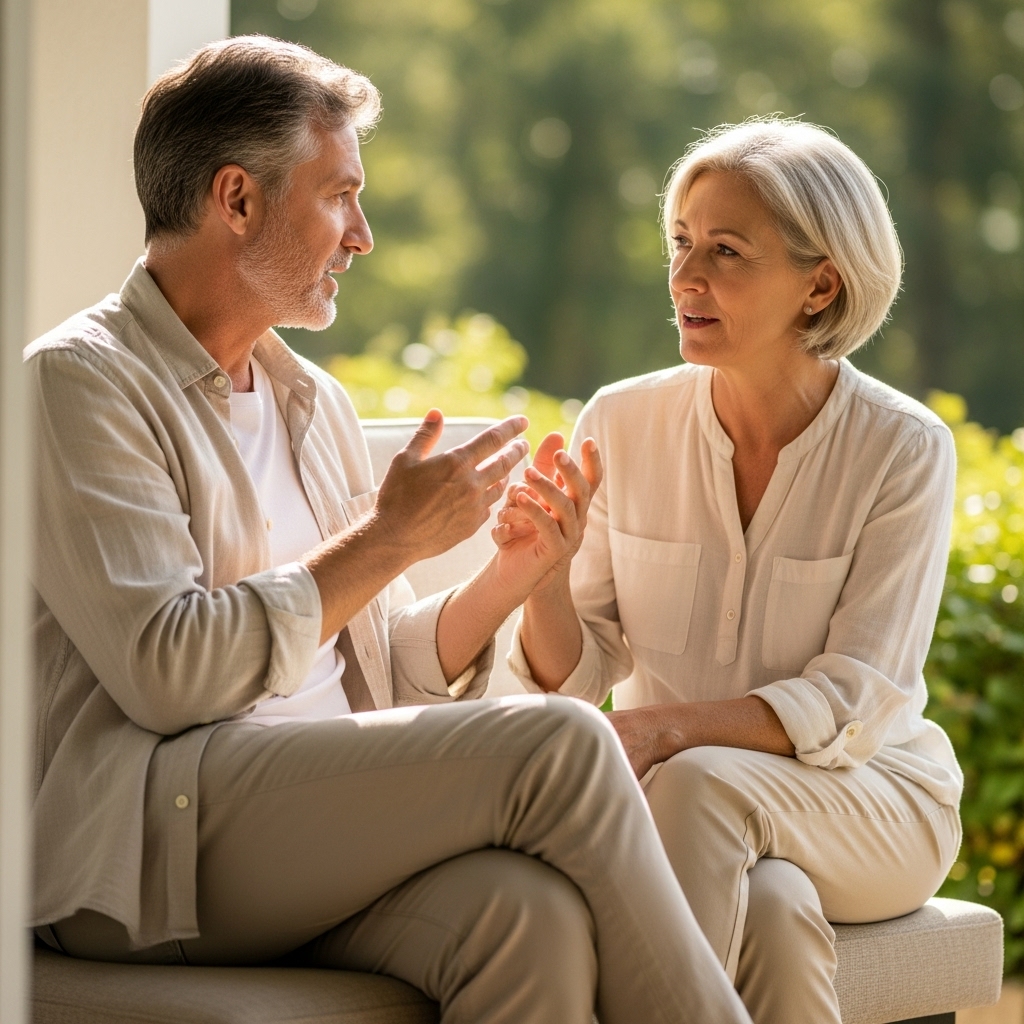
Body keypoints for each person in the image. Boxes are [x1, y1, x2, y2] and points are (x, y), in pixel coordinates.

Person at [26, 37, 753, 1024]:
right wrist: (388, 539)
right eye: (338, 195)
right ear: (236, 200)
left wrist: (513, 572)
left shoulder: (307, 400)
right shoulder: (79, 383)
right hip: (158, 840)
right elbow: (167, 674)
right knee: (561, 743)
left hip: (313, 821)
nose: (362, 234)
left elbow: (386, 668)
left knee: (523, 913)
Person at [500, 118, 962, 1024]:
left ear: (820, 282)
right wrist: (544, 580)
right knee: (778, 915)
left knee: (703, 783)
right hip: (688, 809)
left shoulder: (904, 448)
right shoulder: (620, 421)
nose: (685, 278)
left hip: (871, 800)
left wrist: (664, 732)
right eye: (679, 244)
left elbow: (853, 696)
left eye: (726, 250)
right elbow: (582, 669)